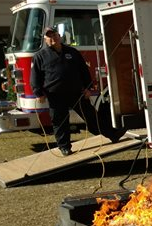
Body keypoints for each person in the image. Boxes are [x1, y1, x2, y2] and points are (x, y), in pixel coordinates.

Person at [31, 26, 123, 155]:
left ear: (59, 36)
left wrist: (87, 88)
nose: (53, 38)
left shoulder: (72, 52)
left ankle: (113, 134)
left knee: (91, 115)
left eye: (55, 35)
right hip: (55, 95)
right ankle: (64, 147)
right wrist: (38, 93)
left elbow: (83, 71)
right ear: (45, 39)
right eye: (49, 36)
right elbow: (35, 76)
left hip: (76, 92)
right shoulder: (40, 56)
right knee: (59, 121)